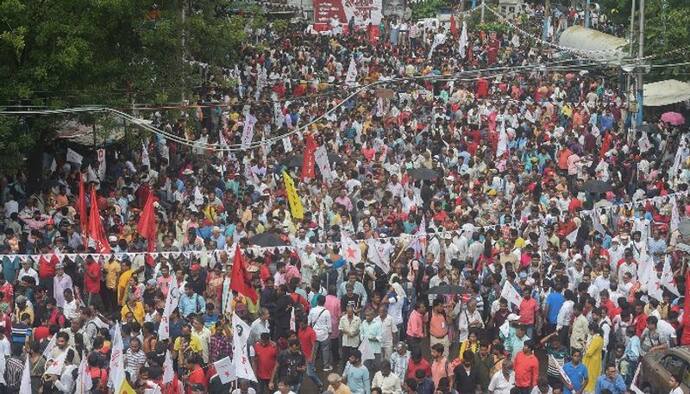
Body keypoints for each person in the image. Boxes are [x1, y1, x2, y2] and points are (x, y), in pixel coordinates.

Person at [583, 323, 604, 393]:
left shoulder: (596, 339)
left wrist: (584, 345)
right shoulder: (598, 338)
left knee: (591, 377)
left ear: (592, 330)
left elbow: (589, 352)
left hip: (592, 362)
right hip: (595, 360)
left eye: (589, 330)